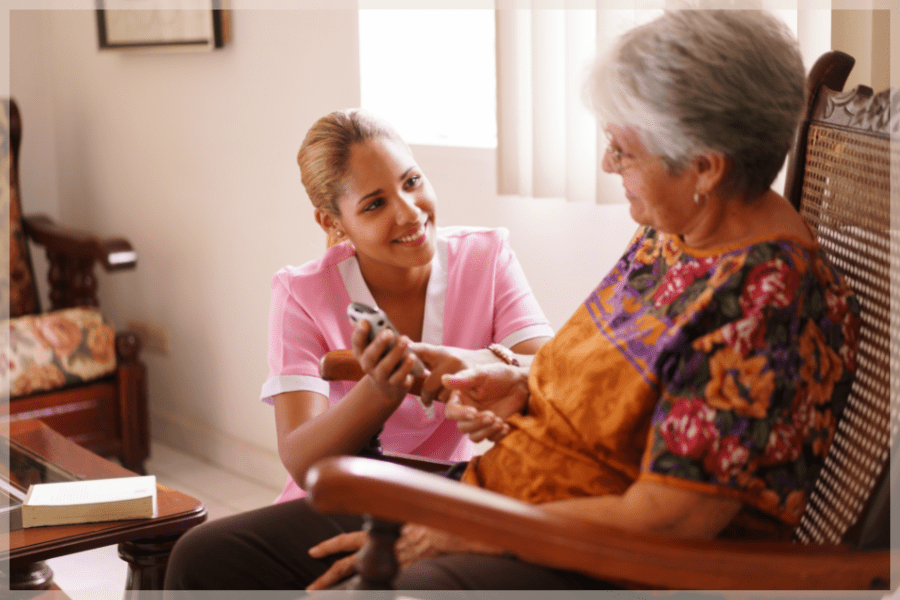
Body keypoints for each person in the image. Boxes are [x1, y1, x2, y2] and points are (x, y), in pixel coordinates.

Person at [165, 9, 860, 592]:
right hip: (502, 491)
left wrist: (473, 528)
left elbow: (670, 520)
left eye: (622, 151)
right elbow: (626, 385)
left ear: (705, 167)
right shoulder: (680, 232)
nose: (607, 167)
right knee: (208, 559)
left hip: (591, 556)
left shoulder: (761, 306)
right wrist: (518, 382)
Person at [262, 109, 553, 504]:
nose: (410, 212)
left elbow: (552, 372)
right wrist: (380, 391)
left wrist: (474, 360)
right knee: (200, 551)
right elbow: (300, 460)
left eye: (412, 182)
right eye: (375, 204)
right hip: (338, 499)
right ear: (332, 223)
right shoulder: (301, 293)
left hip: (441, 498)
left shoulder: (487, 256)